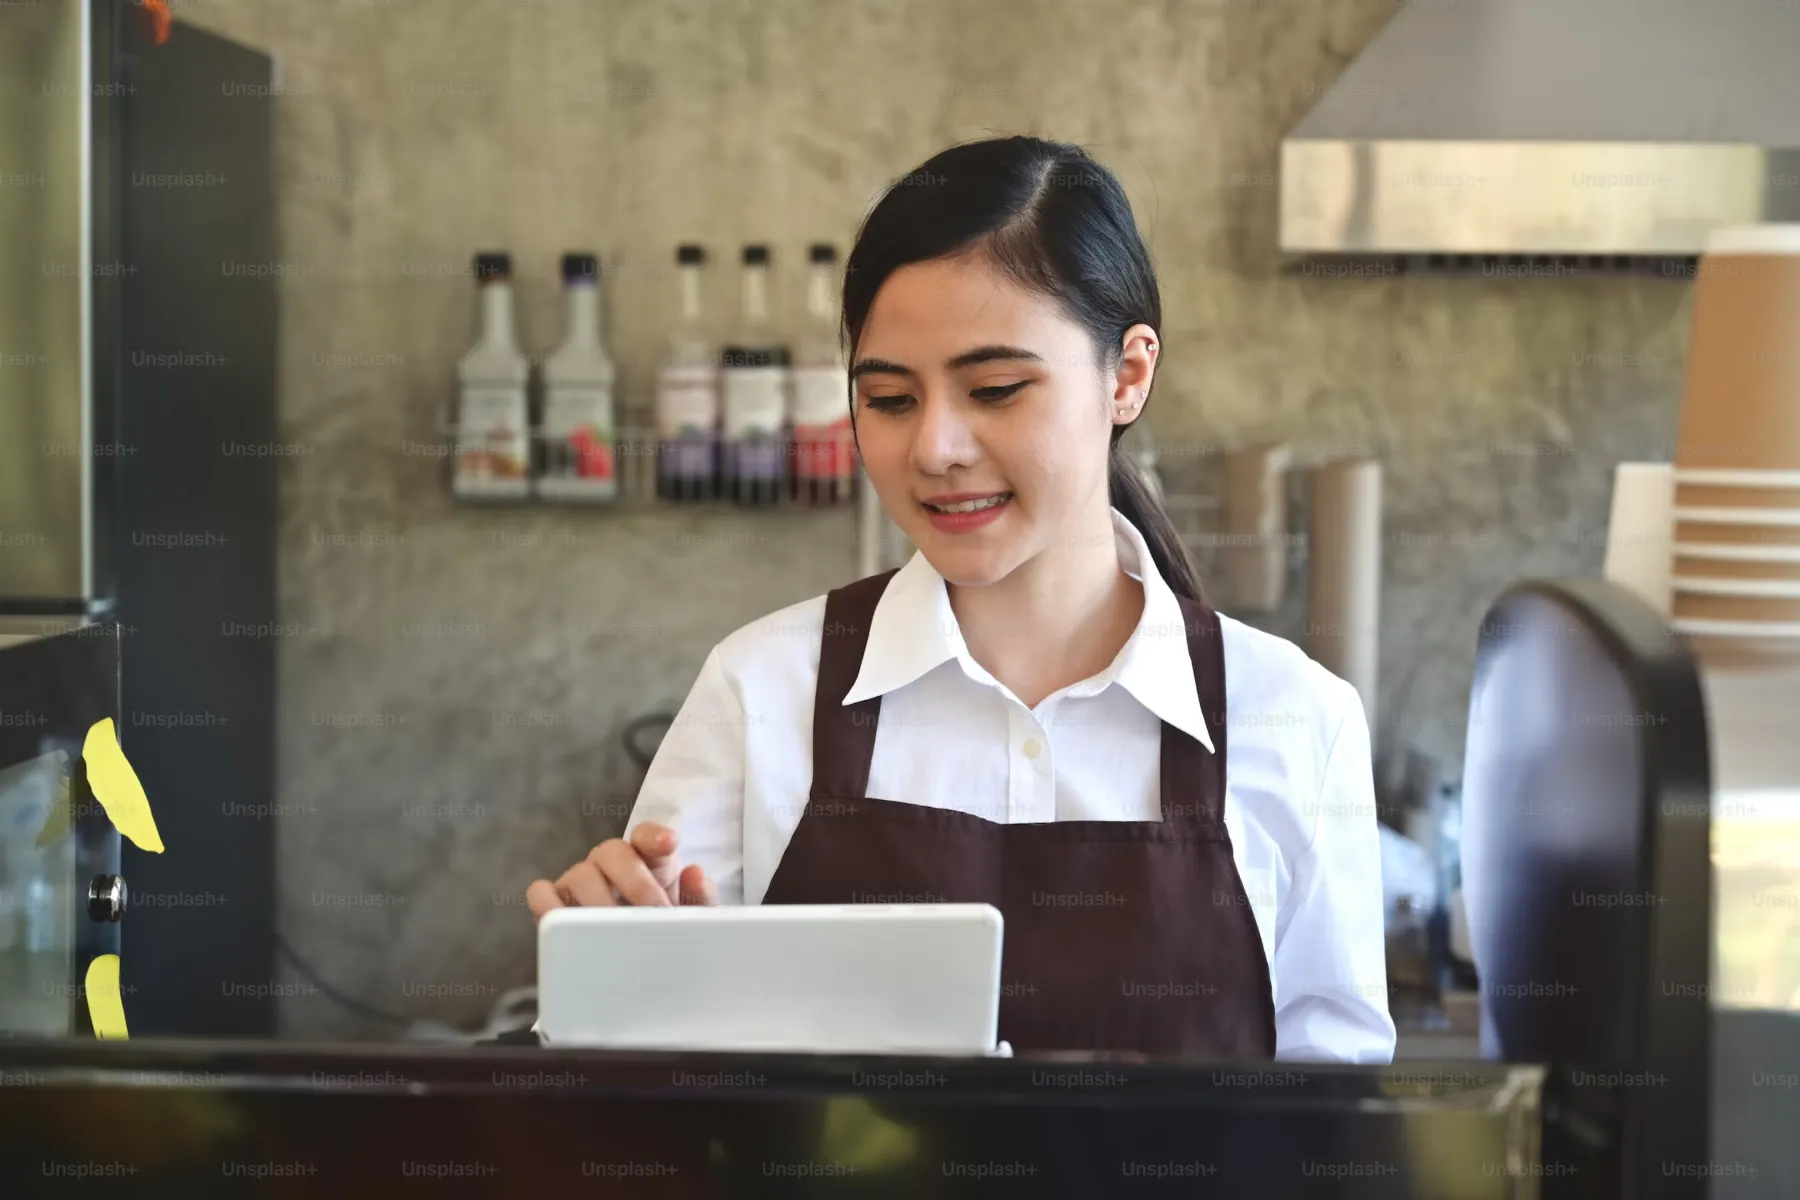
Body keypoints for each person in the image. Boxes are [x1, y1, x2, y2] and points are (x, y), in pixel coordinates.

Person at [528, 135, 1395, 1063]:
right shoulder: (761, 691)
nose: (935, 448)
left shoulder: (1297, 720)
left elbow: (1337, 1141)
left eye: (995, 389)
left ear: (1128, 375)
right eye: (892, 400)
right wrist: (612, 989)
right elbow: (652, 1111)